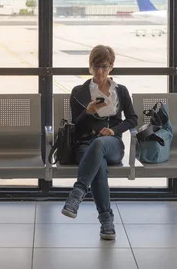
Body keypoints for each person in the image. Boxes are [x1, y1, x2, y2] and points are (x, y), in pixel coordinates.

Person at [61, 45, 138, 240]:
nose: (100, 72)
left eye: (104, 67)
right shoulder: (79, 91)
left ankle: (77, 193)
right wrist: (88, 113)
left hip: (112, 143)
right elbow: (76, 127)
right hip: (85, 143)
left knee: (100, 144)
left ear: (111, 66)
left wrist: (113, 130)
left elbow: (132, 119)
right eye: (96, 67)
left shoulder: (120, 91)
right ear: (90, 67)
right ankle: (107, 221)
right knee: (98, 164)